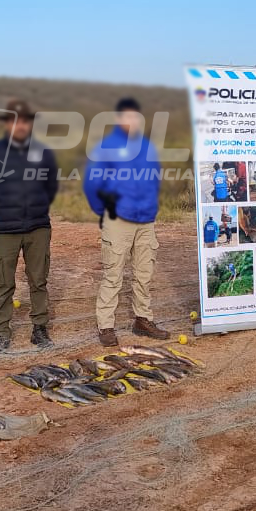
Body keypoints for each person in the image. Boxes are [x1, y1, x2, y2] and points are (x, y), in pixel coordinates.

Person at [83, 97, 170, 347]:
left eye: (136, 117)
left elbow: (155, 178)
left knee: (144, 275)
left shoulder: (147, 146)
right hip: (118, 221)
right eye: (127, 117)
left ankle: (142, 320)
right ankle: (106, 325)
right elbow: (92, 183)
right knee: (113, 275)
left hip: (146, 222)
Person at [0, 99, 58, 351]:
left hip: (38, 228)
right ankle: (1, 334)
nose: (20, 125)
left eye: (25, 120)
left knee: (39, 281)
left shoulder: (43, 152)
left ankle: (39, 329)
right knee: (2, 284)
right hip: (5, 231)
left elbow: (50, 187)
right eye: (15, 120)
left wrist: (38, 210)